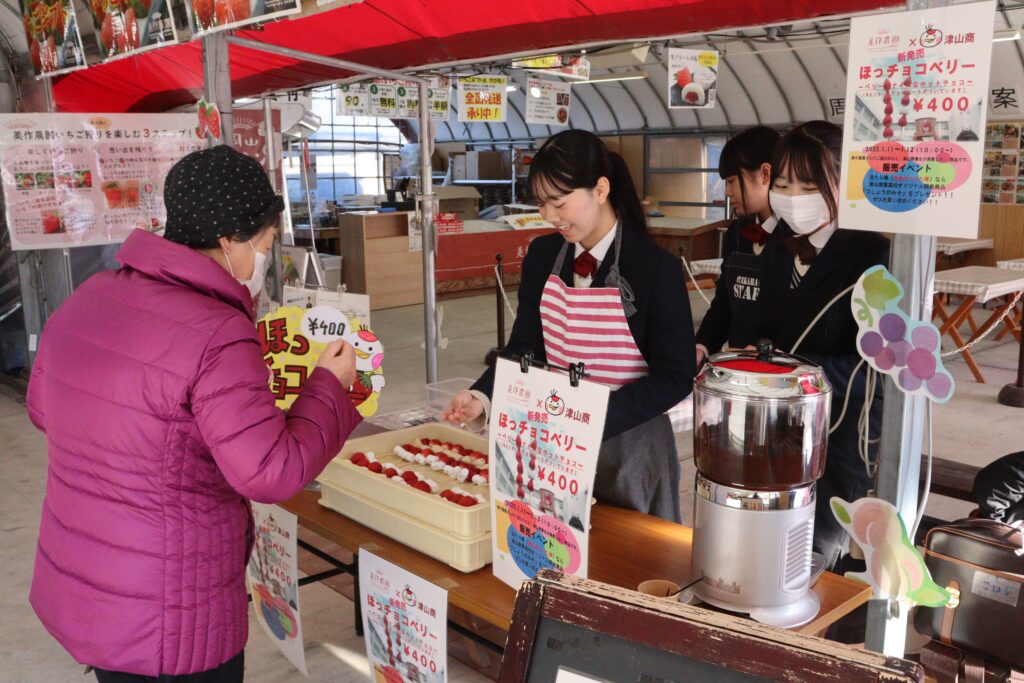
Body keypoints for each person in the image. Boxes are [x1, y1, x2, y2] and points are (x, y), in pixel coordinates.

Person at [26, 145, 362, 682]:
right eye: (267, 242)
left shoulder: (93, 294)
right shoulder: (216, 329)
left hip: (89, 579)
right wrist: (329, 385)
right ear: (230, 240)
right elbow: (270, 471)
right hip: (171, 607)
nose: (267, 259)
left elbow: (44, 406)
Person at [441, 130, 696, 522]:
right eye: (541, 204)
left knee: (627, 567)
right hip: (554, 442)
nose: (549, 216)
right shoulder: (544, 257)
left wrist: (593, 417)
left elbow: (676, 376)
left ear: (600, 189)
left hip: (630, 445)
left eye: (559, 203)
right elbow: (525, 346)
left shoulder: (653, 268)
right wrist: (483, 397)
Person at [755, 121, 890, 570]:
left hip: (838, 434)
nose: (793, 196)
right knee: (766, 543)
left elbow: (876, 365)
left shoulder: (873, 255)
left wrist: (793, 370)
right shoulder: (779, 245)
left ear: (842, 184)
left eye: (809, 184)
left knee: (815, 555)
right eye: (783, 183)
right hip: (775, 425)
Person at [695, 126, 784, 364]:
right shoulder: (737, 233)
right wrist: (701, 346)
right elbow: (724, 303)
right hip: (737, 371)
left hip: (778, 377)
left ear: (765, 174)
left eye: (733, 181)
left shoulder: (797, 241)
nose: (726, 192)